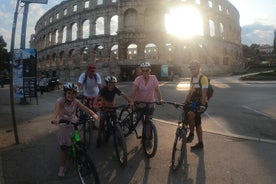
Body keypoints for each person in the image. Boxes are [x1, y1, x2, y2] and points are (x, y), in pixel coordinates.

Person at [51, 82, 99, 177]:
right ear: (65, 93)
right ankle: (62, 167)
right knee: (64, 149)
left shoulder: (76, 101)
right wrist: (55, 119)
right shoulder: (60, 101)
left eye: (73, 93)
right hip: (64, 125)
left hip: (74, 124)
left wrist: (93, 114)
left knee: (79, 142)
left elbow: (85, 108)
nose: (71, 95)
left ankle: (80, 156)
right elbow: (55, 113)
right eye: (69, 93)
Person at [94, 75, 133, 147]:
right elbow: (97, 97)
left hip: (111, 107)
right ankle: (98, 137)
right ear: (107, 84)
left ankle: (119, 137)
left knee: (116, 122)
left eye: (113, 84)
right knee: (102, 122)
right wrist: (95, 105)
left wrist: (130, 100)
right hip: (104, 107)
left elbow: (123, 94)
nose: (111, 86)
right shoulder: (103, 89)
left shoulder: (115, 89)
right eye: (110, 85)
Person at [131, 62, 164, 146]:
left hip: (150, 103)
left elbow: (157, 90)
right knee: (142, 120)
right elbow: (134, 91)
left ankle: (148, 139)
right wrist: (132, 101)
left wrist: (160, 99)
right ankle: (144, 135)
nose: (145, 72)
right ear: (141, 71)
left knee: (148, 122)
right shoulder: (138, 79)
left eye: (147, 70)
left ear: (150, 70)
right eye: (143, 70)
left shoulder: (153, 78)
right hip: (140, 103)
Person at [184, 60, 208, 150]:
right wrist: (185, 102)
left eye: (194, 68)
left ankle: (191, 134)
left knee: (190, 114)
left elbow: (204, 93)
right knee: (197, 122)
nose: (192, 70)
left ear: (199, 68)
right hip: (194, 102)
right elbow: (190, 92)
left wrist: (202, 105)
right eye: (191, 69)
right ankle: (200, 143)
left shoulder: (203, 78)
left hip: (201, 103)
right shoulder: (192, 78)